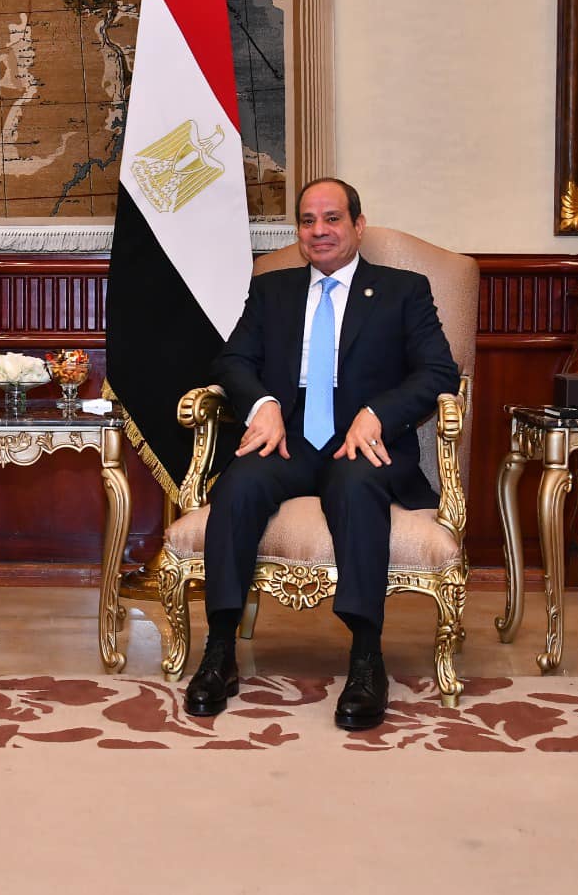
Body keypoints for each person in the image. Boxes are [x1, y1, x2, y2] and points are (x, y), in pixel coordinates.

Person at [186, 177, 459, 728]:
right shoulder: (272, 290)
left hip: (363, 439)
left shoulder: (404, 290)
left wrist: (378, 413)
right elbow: (232, 361)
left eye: (332, 218)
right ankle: (219, 649)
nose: (319, 231)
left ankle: (366, 656)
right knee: (238, 485)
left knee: (357, 488)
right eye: (308, 221)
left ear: (358, 225)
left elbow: (437, 371)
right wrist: (262, 403)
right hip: (286, 436)